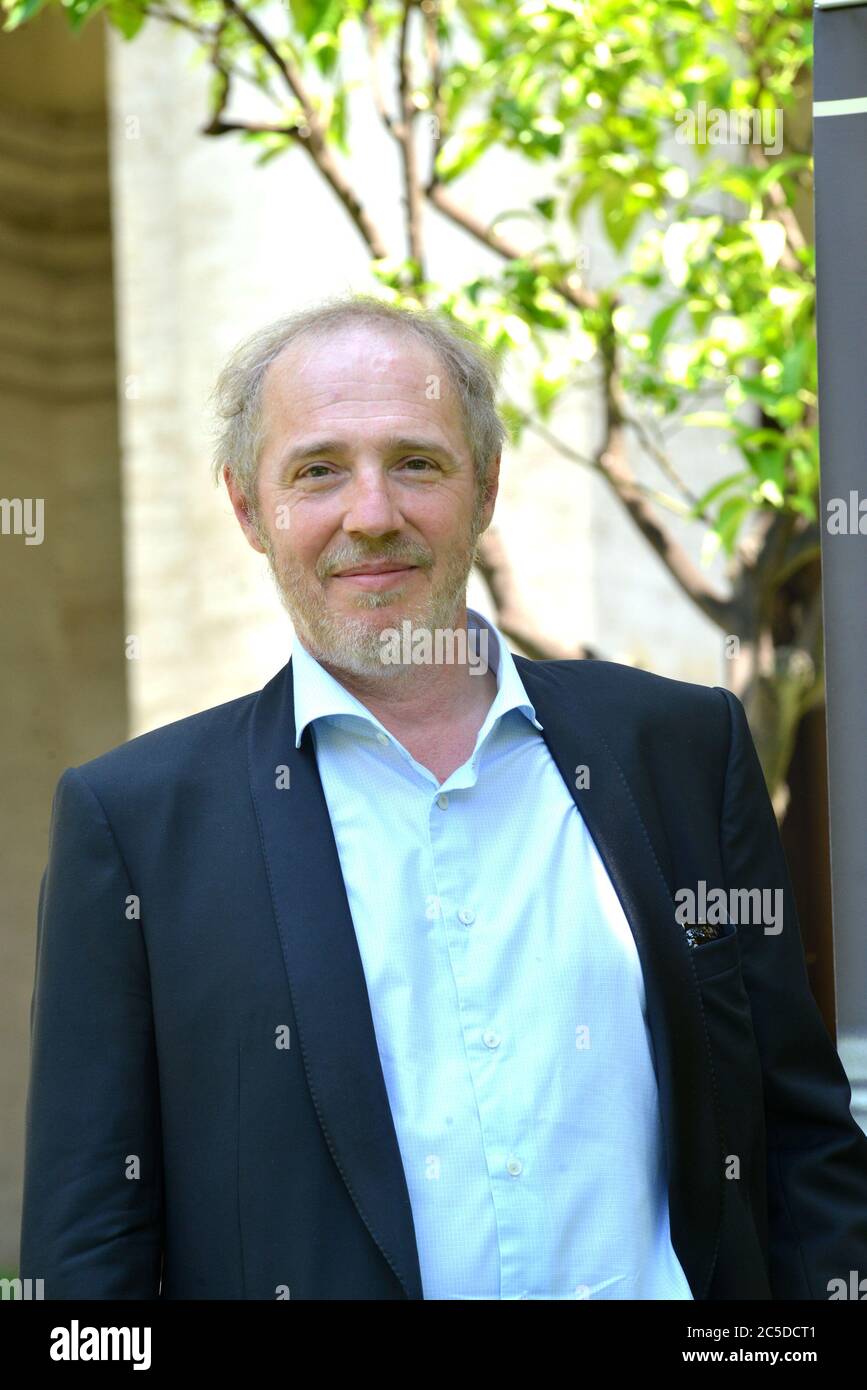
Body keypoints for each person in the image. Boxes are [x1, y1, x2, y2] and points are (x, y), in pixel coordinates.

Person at [20, 295, 867, 1299]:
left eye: (417, 462)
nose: (371, 513)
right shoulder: (136, 826)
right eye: (317, 469)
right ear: (250, 508)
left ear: (487, 487)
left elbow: (803, 1147)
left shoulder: (679, 750)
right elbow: (87, 1258)